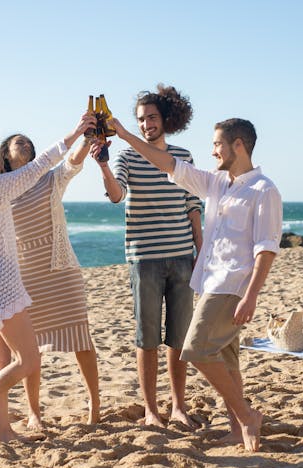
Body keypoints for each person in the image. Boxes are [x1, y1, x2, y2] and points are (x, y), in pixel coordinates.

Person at [102, 116, 282, 452]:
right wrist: (125, 134)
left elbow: (266, 249)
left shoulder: (264, 190)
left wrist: (252, 295)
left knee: (195, 349)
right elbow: (168, 163)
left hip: (234, 285)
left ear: (238, 145)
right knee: (227, 359)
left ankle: (246, 416)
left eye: (217, 144)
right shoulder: (217, 183)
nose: (212, 150)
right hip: (210, 281)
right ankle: (236, 429)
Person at [0, 111, 96, 442]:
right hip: (1, 287)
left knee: (0, 360)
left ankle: (5, 432)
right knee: (28, 359)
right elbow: (43, 165)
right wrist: (76, 131)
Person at [91, 85, 202, 428]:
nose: (146, 124)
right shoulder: (126, 157)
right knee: (147, 337)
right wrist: (104, 166)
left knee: (179, 338)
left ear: (165, 119)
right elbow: (115, 195)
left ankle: (178, 407)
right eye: (141, 119)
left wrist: (201, 250)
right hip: (145, 258)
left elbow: (193, 205)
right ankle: (152, 411)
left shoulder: (183, 155)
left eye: (152, 117)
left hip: (183, 256)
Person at [0, 133, 100, 426]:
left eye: (29, 142)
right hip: (25, 276)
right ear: (5, 154)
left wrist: (87, 140)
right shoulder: (1, 189)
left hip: (61, 270)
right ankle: (34, 413)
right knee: (31, 347)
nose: (27, 145)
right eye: (20, 143)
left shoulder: (47, 180)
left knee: (81, 337)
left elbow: (71, 163)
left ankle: (94, 405)